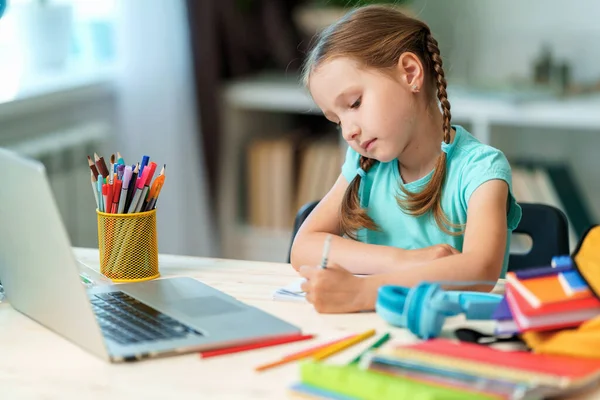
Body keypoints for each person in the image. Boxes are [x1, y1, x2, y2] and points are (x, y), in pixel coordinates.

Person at [290, 5, 522, 313]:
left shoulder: (481, 169)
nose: (348, 132)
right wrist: (404, 260)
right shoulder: (363, 165)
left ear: (410, 73)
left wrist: (364, 292)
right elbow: (303, 248)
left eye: (355, 103)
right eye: (336, 120)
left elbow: (479, 270)